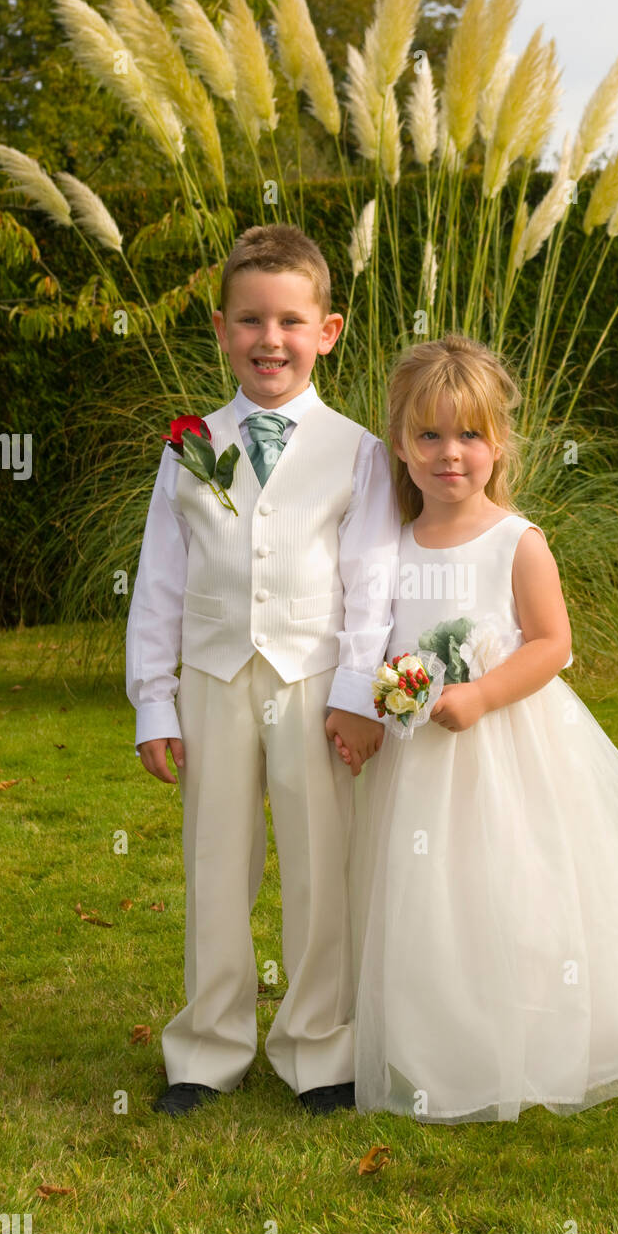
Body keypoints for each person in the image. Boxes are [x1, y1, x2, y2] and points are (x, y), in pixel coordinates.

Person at [334, 333, 618, 1124]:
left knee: (514, 879)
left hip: (506, 748)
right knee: (429, 892)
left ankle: (537, 1024)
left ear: (498, 444)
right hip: (420, 761)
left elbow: (552, 644)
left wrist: (482, 695)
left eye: (469, 436)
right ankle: (439, 1030)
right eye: (428, 435)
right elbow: (382, 636)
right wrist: (384, 699)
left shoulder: (515, 541)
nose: (448, 454)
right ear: (398, 443)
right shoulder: (390, 543)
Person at [126, 223, 400, 1117]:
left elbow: (371, 586)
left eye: (289, 320)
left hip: (315, 682)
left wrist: (360, 695)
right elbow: (160, 582)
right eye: (249, 321)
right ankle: (206, 1048)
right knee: (215, 860)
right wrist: (151, 702)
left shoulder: (358, 449)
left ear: (328, 329)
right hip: (211, 677)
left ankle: (320, 1050)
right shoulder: (188, 444)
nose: (268, 339)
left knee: (322, 864)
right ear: (220, 329)